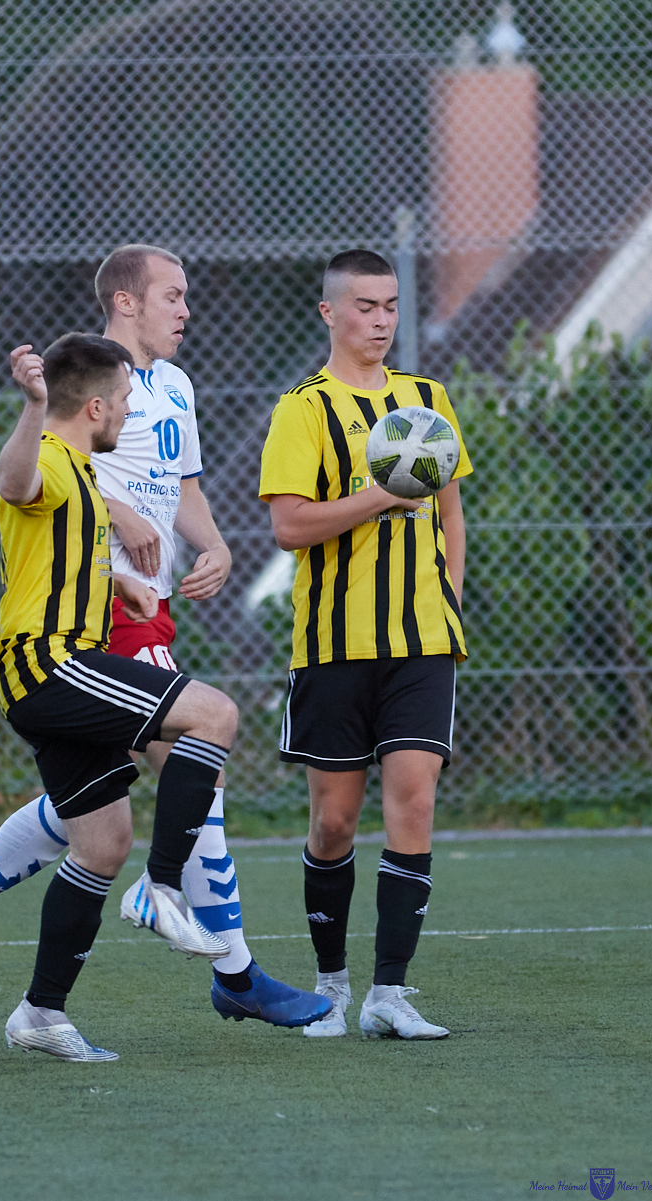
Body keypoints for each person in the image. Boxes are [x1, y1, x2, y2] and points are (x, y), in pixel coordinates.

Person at [0, 247, 328, 1031]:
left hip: (132, 601)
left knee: (99, 819)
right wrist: (114, 511)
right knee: (199, 752)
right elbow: (34, 475)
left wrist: (214, 545)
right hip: (83, 626)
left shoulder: (172, 388)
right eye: (173, 294)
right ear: (126, 302)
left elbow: (180, 488)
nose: (186, 309)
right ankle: (232, 967)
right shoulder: (84, 389)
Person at [259, 249, 472, 1039]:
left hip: (422, 640)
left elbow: (451, 509)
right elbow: (288, 526)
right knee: (335, 825)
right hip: (334, 644)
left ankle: (389, 993)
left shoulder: (427, 400)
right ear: (330, 312)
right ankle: (331, 988)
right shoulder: (303, 408)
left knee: (413, 800)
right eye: (365, 306)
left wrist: (450, 593)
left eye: (390, 306)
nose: (381, 321)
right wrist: (379, 495)